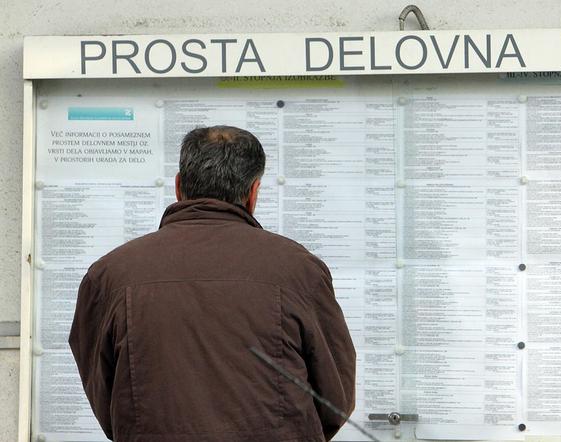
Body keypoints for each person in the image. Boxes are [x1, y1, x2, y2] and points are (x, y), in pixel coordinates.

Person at [69, 126, 356, 442]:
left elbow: (103, 393)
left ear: (179, 186)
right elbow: (334, 399)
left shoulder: (110, 274)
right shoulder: (299, 269)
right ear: (253, 193)